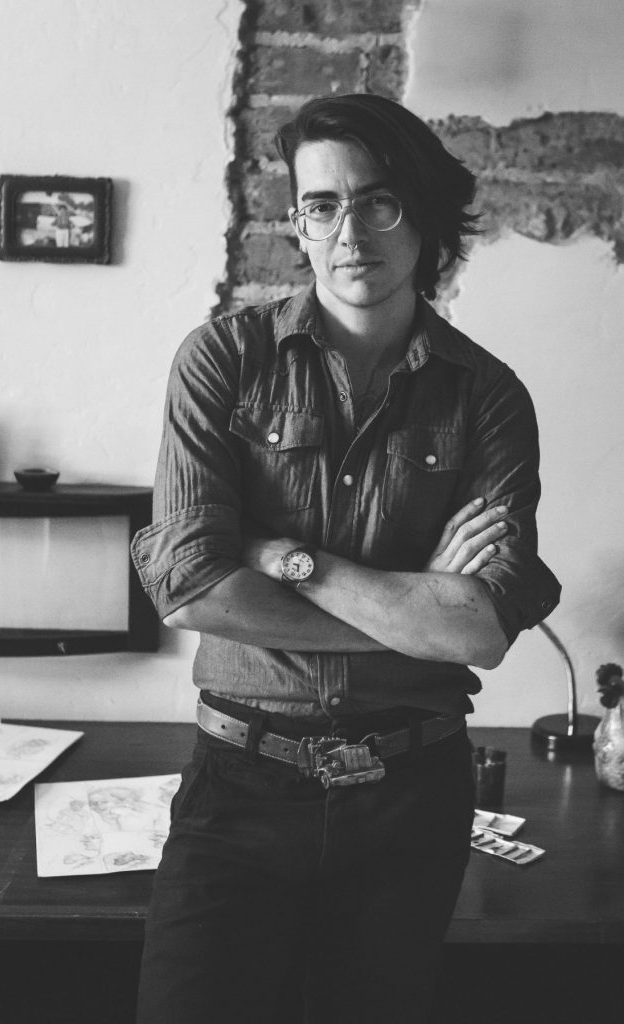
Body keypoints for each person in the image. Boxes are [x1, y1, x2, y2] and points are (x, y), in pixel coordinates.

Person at [131, 93, 561, 1023]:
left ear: (424, 213)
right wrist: (417, 618)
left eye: (378, 202)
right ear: (298, 222)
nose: (349, 232)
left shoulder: (489, 397)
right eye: (321, 205)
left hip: (411, 799)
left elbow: (480, 628)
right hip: (239, 789)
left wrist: (293, 560)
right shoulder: (222, 362)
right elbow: (191, 585)